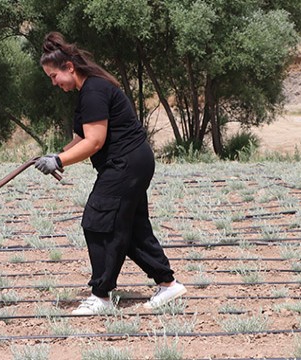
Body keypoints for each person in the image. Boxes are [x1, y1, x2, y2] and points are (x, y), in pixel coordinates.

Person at [34, 32, 187, 315]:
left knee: (98, 220)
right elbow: (81, 140)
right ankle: (168, 284)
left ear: (69, 67)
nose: (54, 83)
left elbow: (95, 143)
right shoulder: (88, 93)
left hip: (126, 164)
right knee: (131, 227)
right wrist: (54, 156)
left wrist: (59, 161)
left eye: (54, 76)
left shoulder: (93, 91)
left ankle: (101, 296)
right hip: (133, 162)